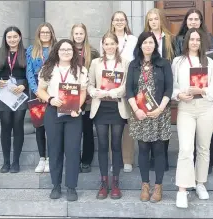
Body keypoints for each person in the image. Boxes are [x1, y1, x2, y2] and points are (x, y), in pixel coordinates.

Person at [172, 28, 213, 208]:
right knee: (185, 148)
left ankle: (200, 183)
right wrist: (179, 95)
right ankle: (182, 190)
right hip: (186, 108)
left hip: (206, 108)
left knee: (203, 148)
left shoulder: (210, 63)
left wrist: (201, 90)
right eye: (191, 39)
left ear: (202, 42)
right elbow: (172, 87)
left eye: (197, 40)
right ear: (187, 42)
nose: (194, 42)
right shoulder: (178, 62)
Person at [37, 39, 87, 201]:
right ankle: (56, 186)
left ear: (74, 52)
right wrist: (50, 99)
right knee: (55, 150)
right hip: (53, 113)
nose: (66, 52)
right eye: (63, 49)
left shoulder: (81, 70)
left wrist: (77, 107)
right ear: (57, 52)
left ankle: (71, 187)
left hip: (73, 115)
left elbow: (83, 92)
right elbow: (40, 91)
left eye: (69, 50)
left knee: (72, 151)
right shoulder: (48, 69)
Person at [126, 31, 173, 203]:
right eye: (144, 42)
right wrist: (136, 110)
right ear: (140, 45)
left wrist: (160, 109)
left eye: (151, 42)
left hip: (159, 114)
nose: (148, 45)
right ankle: (145, 184)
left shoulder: (163, 64)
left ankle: (158, 186)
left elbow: (169, 89)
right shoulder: (133, 65)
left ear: (155, 45)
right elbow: (129, 90)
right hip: (140, 114)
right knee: (143, 149)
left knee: (159, 150)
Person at [175, 8, 213, 174]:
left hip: (205, 95)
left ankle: (206, 166)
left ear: (201, 21)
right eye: (190, 19)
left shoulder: (208, 38)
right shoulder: (178, 41)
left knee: (205, 139)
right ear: (186, 21)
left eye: (196, 19)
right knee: (187, 142)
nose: (193, 22)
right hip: (186, 99)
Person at [88, 32, 130, 199]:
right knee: (103, 145)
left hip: (117, 107)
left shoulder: (125, 63)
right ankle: (104, 182)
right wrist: (94, 92)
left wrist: (112, 92)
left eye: (112, 43)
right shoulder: (95, 63)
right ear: (102, 45)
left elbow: (126, 86)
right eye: (106, 44)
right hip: (100, 108)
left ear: (116, 45)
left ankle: (116, 183)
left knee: (116, 145)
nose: (109, 46)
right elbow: (89, 84)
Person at [100, 11, 137, 173]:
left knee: (128, 123)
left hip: (128, 79)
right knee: (111, 125)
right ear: (112, 22)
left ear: (126, 22)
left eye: (122, 19)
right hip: (108, 84)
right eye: (116, 20)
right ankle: (113, 160)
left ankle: (127, 159)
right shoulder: (106, 38)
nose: (119, 22)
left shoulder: (133, 39)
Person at [144, 8, 176, 171]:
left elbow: (174, 61)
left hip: (164, 86)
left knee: (163, 123)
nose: (153, 22)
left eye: (156, 19)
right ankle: (150, 158)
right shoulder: (144, 39)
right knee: (149, 121)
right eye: (150, 19)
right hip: (146, 85)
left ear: (161, 20)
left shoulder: (170, 39)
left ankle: (162, 158)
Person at [0, 26, 28, 173]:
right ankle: (6, 162)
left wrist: (24, 85)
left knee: (18, 125)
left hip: (20, 90)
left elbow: (30, 73)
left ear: (20, 37)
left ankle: (16, 162)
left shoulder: (26, 53)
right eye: (9, 37)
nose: (12, 39)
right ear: (5, 39)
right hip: (4, 90)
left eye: (15, 36)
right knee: (6, 125)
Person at [26, 22, 57, 173]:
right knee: (39, 126)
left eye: (47, 32)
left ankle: (51, 158)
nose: (45, 34)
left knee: (52, 126)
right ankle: (42, 158)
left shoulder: (57, 49)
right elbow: (29, 72)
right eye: (42, 32)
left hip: (53, 92)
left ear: (52, 33)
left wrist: (49, 93)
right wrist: (37, 91)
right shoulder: (32, 50)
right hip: (37, 92)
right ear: (38, 34)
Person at [70, 23, 100, 173]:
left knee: (87, 130)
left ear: (85, 35)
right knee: (74, 131)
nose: (79, 36)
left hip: (87, 97)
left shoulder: (93, 52)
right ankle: (74, 159)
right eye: (76, 33)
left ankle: (86, 161)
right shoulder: (67, 50)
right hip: (71, 97)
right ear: (72, 35)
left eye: (81, 33)